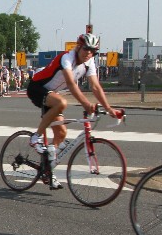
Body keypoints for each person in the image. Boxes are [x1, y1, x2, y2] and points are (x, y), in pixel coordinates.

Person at [26, 33, 123, 172]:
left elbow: (95, 86)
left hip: (52, 93)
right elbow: (71, 84)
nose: (89, 53)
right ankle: (36, 137)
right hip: (37, 87)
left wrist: (109, 108)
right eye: (86, 49)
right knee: (61, 103)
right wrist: (86, 104)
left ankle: (46, 169)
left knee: (61, 134)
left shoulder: (89, 62)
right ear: (78, 47)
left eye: (93, 51)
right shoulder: (67, 58)